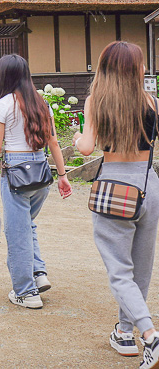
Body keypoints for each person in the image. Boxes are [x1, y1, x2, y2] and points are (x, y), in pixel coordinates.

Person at [74, 41, 159, 367]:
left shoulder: (96, 101)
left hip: (115, 188)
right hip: (149, 185)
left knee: (120, 272)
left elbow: (85, 148)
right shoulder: (152, 102)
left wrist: (77, 136)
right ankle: (124, 332)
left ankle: (150, 336)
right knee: (141, 268)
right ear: (136, 69)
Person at [0, 54, 71, 309]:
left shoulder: (3, 104)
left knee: (17, 232)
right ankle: (38, 275)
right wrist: (63, 177)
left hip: (17, 173)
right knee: (27, 225)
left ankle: (26, 292)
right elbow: (53, 142)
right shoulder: (42, 104)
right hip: (41, 173)